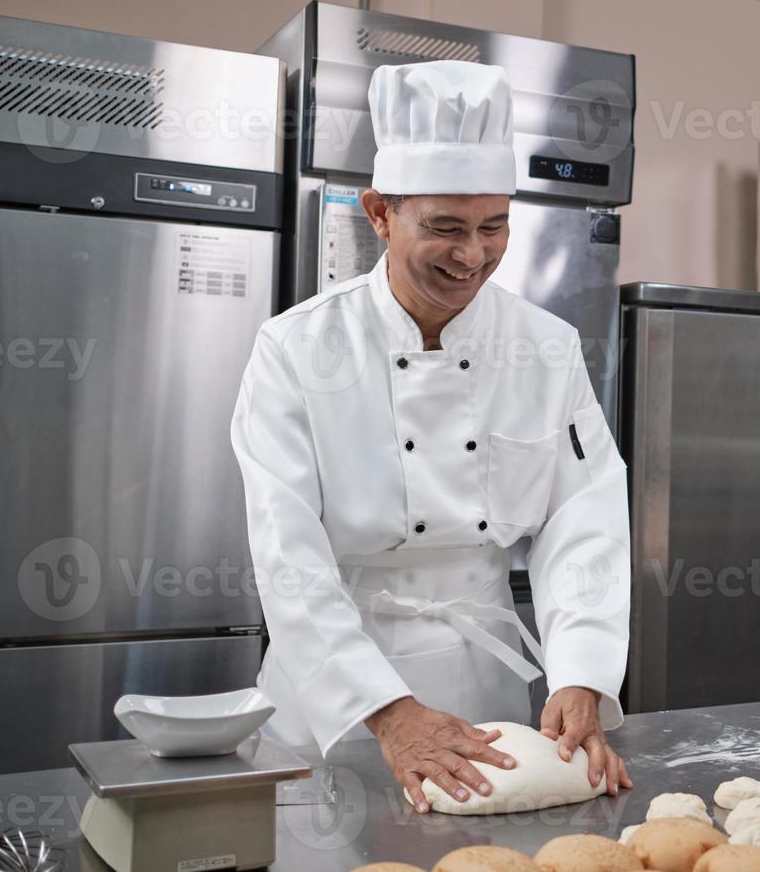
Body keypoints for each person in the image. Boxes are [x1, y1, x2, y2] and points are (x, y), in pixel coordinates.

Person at [231, 60, 633, 812]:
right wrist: (387, 711)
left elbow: (585, 517)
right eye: (444, 227)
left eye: (494, 227)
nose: (472, 254)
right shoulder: (296, 349)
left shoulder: (545, 346)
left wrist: (581, 673)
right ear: (380, 212)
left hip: (488, 694)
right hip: (334, 700)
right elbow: (287, 553)